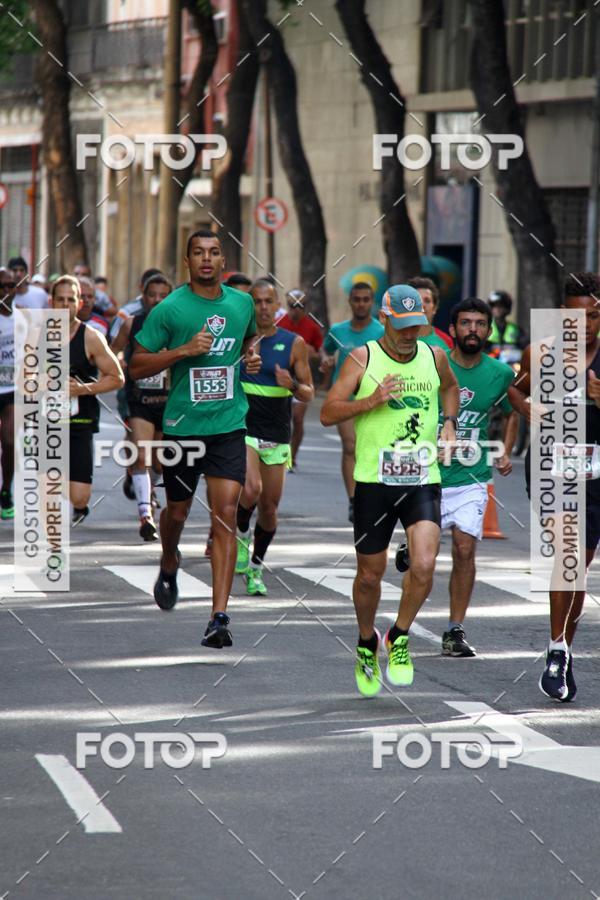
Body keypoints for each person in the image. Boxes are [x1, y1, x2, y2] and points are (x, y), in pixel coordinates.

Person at [321, 284, 459, 696]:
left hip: (421, 477)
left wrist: (449, 422)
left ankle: (398, 636)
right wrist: (371, 401)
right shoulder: (363, 358)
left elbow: (449, 387)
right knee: (370, 575)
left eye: (416, 325)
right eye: (401, 326)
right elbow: (328, 412)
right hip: (374, 481)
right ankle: (367, 641)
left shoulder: (435, 355)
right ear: (384, 319)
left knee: (424, 563)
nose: (409, 334)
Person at [129, 230, 261, 648]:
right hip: (184, 427)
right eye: (198, 253)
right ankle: (169, 558)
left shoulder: (241, 303)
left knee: (224, 513)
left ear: (224, 260)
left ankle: (219, 617)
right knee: (179, 513)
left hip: (228, 425)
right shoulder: (170, 309)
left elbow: (249, 339)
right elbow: (136, 365)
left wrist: (251, 358)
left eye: (214, 252)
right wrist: (183, 351)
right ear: (187, 261)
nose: (207, 259)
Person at [508, 272, 600, 702]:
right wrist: (526, 407)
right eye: (579, 317)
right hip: (550, 468)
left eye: (595, 316)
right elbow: (515, 389)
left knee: (577, 567)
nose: (587, 326)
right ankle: (558, 651)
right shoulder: (541, 352)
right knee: (566, 556)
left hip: (596, 473)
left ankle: (559, 645)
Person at [437, 298, 518, 657]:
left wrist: (504, 450)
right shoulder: (434, 364)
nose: (474, 329)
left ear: (488, 330)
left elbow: (513, 410)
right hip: (428, 473)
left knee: (464, 548)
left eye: (481, 324)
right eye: (466, 323)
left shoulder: (500, 373)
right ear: (452, 329)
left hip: (472, 475)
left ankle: (455, 629)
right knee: (423, 556)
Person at [235, 279, 314, 595]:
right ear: (249, 305)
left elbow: (309, 393)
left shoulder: (293, 343)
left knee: (269, 508)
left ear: (277, 305)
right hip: (243, 428)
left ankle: (255, 568)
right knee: (251, 488)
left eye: (269, 301)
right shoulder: (238, 341)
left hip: (277, 433)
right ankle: (241, 533)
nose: (263, 308)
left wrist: (291, 384)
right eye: (257, 302)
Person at [49, 276, 124, 524]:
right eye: (60, 299)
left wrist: (83, 389)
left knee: (79, 496)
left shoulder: (90, 336)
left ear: (79, 303)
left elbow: (117, 378)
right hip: (46, 422)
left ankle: (79, 506)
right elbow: (20, 378)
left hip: (79, 420)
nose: (65, 304)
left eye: (71, 299)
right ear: (52, 302)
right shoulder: (36, 334)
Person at [111, 273, 172, 541]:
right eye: (152, 295)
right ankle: (145, 516)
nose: (157, 300)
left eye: (163, 295)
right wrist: (120, 361)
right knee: (141, 456)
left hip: (169, 402)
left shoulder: (179, 327)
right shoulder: (131, 324)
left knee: (159, 463)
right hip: (140, 401)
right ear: (143, 297)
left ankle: (150, 488)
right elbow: (111, 352)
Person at [320, 282, 384, 523]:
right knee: (350, 446)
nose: (360, 304)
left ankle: (372, 495)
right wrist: (326, 361)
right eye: (356, 299)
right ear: (350, 302)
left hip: (373, 397)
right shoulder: (338, 330)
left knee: (371, 448)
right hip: (345, 398)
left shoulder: (380, 331)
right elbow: (325, 350)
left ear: (372, 302)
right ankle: (353, 500)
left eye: (365, 299)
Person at [277, 289, 323, 467]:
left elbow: (319, 353)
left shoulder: (312, 327)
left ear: (306, 307)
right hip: (280, 379)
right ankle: (280, 454)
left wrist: (311, 354)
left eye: (300, 306)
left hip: (302, 379)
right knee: (283, 419)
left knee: (297, 419)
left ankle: (293, 456)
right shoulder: (279, 323)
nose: (296, 309)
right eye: (292, 306)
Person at [0, 268, 17, 519]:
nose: (6, 290)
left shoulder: (24, 318)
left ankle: (6, 490)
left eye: (10, 285)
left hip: (13, 388)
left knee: (10, 440)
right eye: (1, 286)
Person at [408, 276, 453, 350]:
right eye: (417, 300)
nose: (422, 305)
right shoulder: (397, 337)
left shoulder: (446, 340)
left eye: (427, 300)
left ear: (435, 308)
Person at [487, 290, 527, 357]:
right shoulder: (485, 328)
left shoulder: (515, 329)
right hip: (490, 364)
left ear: (507, 308)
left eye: (501, 306)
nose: (497, 309)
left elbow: (525, 346)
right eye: (494, 306)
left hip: (511, 365)